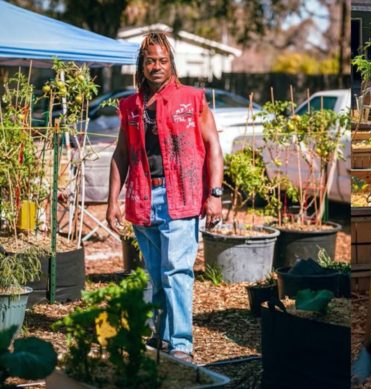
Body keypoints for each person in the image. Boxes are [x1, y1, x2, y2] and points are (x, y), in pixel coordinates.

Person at [106, 32, 224, 363]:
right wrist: (113, 200)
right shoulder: (130, 106)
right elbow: (121, 153)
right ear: (141, 66)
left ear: (171, 63)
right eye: (149, 61)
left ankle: (182, 343)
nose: (156, 66)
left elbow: (214, 146)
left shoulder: (193, 99)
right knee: (155, 275)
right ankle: (162, 336)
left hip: (182, 197)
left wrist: (215, 194)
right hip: (144, 198)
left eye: (162, 60)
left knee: (177, 272)